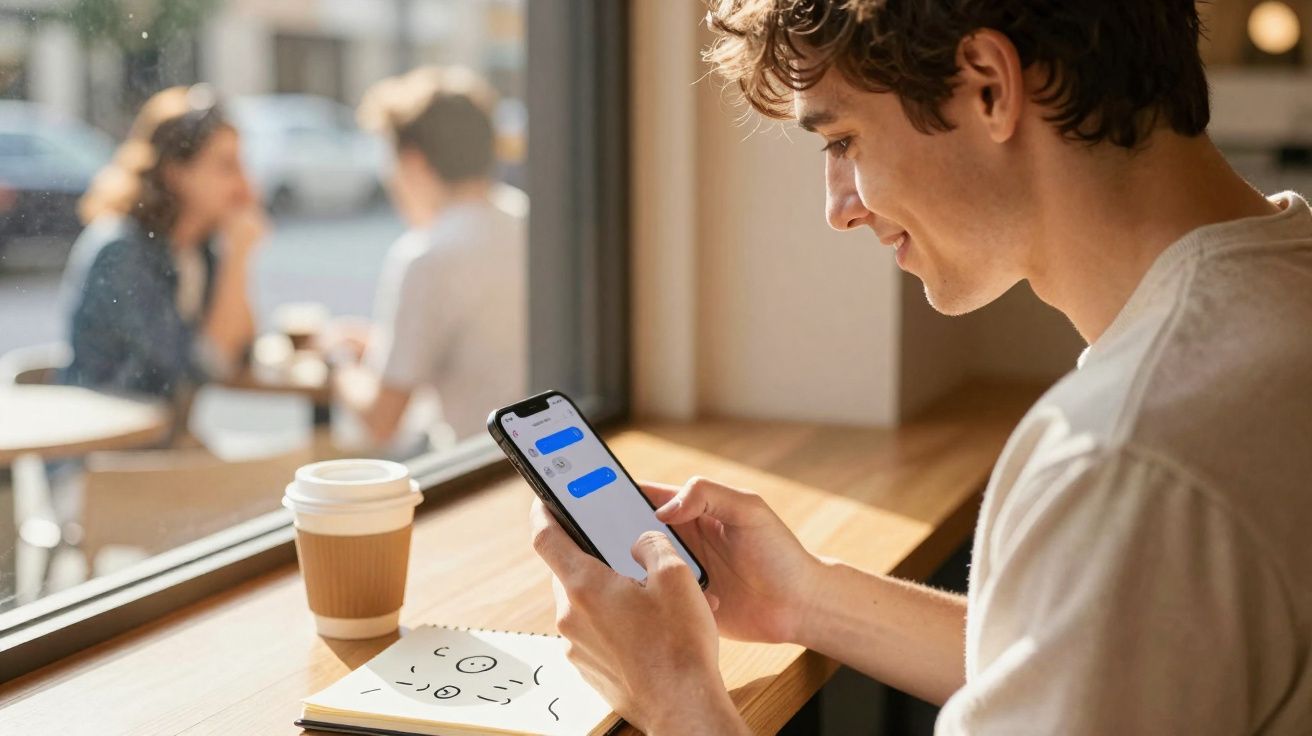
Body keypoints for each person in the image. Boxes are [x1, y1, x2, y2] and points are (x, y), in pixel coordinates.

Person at [528, 2, 1312, 735]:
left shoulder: (1129, 458)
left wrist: (677, 699)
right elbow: (1133, 649)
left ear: (988, 87)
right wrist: (810, 599)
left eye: (841, 141)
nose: (837, 207)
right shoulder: (1275, 296)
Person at [331, 66, 527, 453]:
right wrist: (377, 346)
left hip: (476, 464)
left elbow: (381, 420)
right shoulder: (527, 220)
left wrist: (335, 359)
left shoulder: (427, 256)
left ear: (415, 162)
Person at [61, 84, 263, 404]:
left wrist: (238, 256)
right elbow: (196, 370)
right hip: (106, 444)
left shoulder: (196, 248)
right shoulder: (121, 250)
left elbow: (240, 351)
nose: (244, 183)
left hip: (164, 439)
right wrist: (238, 258)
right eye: (227, 167)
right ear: (176, 173)